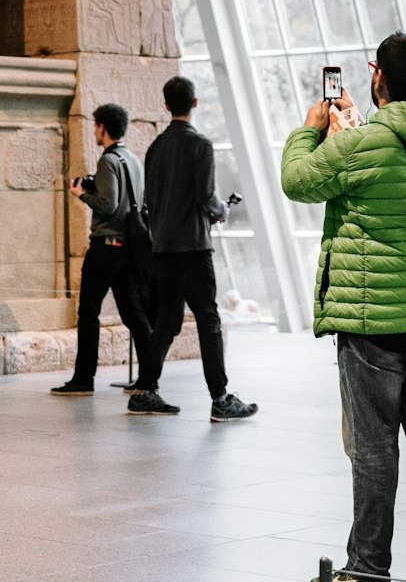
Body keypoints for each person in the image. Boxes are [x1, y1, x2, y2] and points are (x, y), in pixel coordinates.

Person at [282, 33, 406, 582]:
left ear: (377, 76)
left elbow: (298, 180)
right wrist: (360, 130)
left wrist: (312, 127)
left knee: (374, 447)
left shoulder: (362, 143)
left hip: (373, 322)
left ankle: (368, 569)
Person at [129, 77, 257, 421]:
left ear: (166, 105)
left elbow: (150, 203)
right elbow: (205, 197)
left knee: (166, 323)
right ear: (195, 103)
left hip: (163, 250)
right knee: (209, 321)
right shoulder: (201, 145)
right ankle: (220, 399)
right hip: (194, 250)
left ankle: (144, 391)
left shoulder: (155, 148)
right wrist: (222, 211)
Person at [51, 104, 154, 396]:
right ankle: (149, 377)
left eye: (96, 126)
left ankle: (84, 378)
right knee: (133, 315)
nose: (95, 131)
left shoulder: (108, 160)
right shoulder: (132, 159)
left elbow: (108, 205)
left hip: (105, 248)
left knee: (88, 313)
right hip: (127, 249)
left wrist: (82, 194)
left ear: (102, 128)